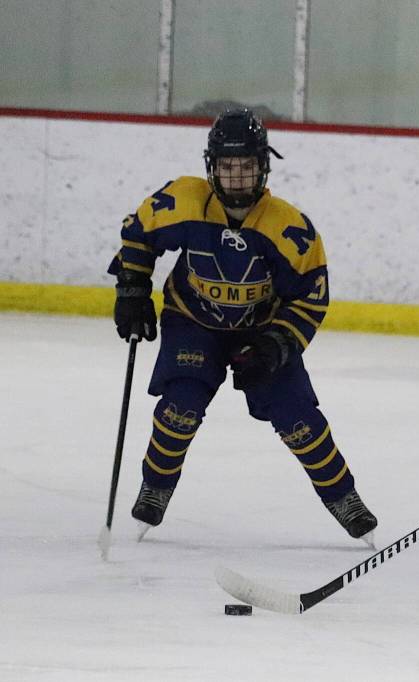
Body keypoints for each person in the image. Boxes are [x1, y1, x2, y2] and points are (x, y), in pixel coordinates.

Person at [109, 108, 378, 544]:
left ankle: (343, 497)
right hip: (192, 322)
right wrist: (133, 288)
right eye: (227, 168)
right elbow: (139, 233)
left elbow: (311, 298)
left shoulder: (289, 228)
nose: (236, 179)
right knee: (181, 407)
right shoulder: (183, 200)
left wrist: (275, 345)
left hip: (261, 330)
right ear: (210, 167)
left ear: (263, 168)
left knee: (298, 418)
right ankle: (155, 488)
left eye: (247, 167)